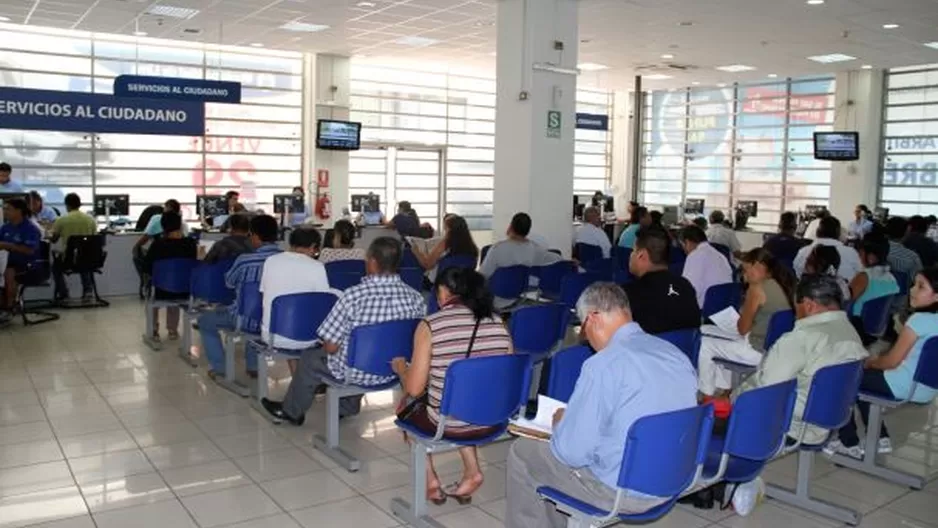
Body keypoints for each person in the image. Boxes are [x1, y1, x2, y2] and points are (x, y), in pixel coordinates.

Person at [506, 283, 697, 528]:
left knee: (523, 452)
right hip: (673, 480)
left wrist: (561, 423)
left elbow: (570, 453)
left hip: (621, 491)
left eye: (582, 328)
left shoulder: (603, 364)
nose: (585, 338)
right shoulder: (674, 354)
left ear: (593, 318)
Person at [260, 237, 427, 424]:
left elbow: (331, 347)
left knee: (310, 358)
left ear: (372, 262)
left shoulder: (353, 296)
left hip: (356, 371)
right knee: (367, 352)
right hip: (396, 370)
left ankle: (291, 412)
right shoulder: (416, 298)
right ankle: (347, 407)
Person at [391, 267, 512, 503]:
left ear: (445, 292)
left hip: (448, 423)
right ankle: (472, 471)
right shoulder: (498, 322)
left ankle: (431, 481)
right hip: (493, 419)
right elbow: (505, 376)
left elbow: (414, 389)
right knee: (465, 399)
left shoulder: (431, 325)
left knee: (406, 407)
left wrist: (402, 370)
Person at [735, 274, 868, 445]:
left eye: (795, 307)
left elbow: (767, 389)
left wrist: (734, 397)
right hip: (830, 417)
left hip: (791, 425)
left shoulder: (800, 339)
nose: (795, 313)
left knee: (709, 423)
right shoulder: (851, 332)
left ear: (808, 305)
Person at [826, 268, 938, 459]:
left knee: (839, 379)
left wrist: (870, 362)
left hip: (901, 384)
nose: (912, 290)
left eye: (920, 287)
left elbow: (892, 362)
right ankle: (880, 438)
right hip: (927, 389)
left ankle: (847, 442)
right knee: (864, 381)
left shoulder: (919, 320)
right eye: (914, 284)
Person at [697, 248, 796, 397]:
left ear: (756, 266)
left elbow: (742, 329)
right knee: (706, 329)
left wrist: (742, 311)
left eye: (745, 269)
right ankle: (724, 389)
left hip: (757, 350)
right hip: (773, 347)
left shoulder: (756, 288)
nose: (744, 275)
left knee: (704, 344)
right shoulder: (782, 284)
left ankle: (707, 394)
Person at [198, 215, 282, 379]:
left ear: (256, 236)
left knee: (205, 321)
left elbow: (229, 282)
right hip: (276, 321)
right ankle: (252, 366)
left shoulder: (245, 261)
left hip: (244, 319)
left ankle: (220, 369)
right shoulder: (287, 260)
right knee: (260, 312)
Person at [258, 228, 331, 348]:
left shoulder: (270, 261)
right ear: (313, 246)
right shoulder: (317, 266)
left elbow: (264, 294)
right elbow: (322, 303)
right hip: (309, 337)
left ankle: (297, 367)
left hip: (272, 336)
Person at [623, 226, 701, 334]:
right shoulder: (685, 286)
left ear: (641, 255)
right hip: (686, 350)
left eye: (633, 251)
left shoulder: (627, 295)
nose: (631, 255)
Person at [480, 213, 562, 310]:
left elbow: (482, 275)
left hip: (493, 298)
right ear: (528, 230)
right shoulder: (534, 248)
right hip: (517, 297)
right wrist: (571, 260)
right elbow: (555, 257)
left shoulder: (497, 248)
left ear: (511, 226)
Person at [143, 212, 197, 343]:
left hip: (161, 292)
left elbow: (147, 267)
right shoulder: (190, 243)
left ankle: (154, 330)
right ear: (180, 225)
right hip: (185, 291)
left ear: (162, 226)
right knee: (176, 281)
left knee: (155, 289)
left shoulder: (157, 245)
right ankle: (172, 330)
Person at [848, 232, 899, 346]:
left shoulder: (864, 276)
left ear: (870, 257)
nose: (859, 258)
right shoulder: (891, 277)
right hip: (878, 329)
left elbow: (846, 300)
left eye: (860, 254)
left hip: (856, 328)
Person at [49, 193, 97, 302]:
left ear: (67, 205)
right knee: (84, 260)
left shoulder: (61, 219)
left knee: (55, 267)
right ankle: (88, 291)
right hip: (89, 259)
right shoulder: (90, 220)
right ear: (79, 204)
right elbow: (95, 238)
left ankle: (64, 294)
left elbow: (54, 239)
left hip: (69, 260)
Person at [0, 198, 41, 321]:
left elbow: (29, 250)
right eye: (5, 209)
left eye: (9, 209)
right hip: (8, 262)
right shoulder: (5, 228)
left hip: (28, 264)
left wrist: (8, 246)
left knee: (9, 272)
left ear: (19, 211)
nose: (5, 212)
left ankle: (9, 307)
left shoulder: (30, 229)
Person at [793, 215, 863, 281]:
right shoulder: (850, 253)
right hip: (843, 292)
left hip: (809, 291)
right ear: (838, 234)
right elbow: (860, 275)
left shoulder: (804, 251)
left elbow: (797, 274)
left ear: (817, 232)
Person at [679, 225, 733, 308]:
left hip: (704, 311)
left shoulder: (695, 256)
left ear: (687, 242)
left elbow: (689, 291)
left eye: (682, 246)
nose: (684, 250)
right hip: (724, 309)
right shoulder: (720, 255)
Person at [412, 214, 478, 282]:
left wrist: (416, 252)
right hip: (464, 286)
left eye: (445, 229)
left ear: (450, 229)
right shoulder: (472, 248)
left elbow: (427, 265)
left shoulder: (445, 243)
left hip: (442, 286)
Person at [885, 216, 923, 319]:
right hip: (898, 308)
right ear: (906, 232)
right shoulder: (911, 257)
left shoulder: (875, 251)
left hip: (872, 303)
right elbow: (919, 283)